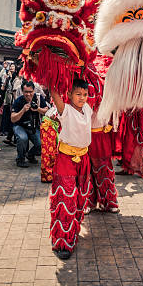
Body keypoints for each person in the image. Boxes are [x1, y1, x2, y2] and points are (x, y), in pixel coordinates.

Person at [49, 79, 93, 259]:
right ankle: (62, 242)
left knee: (81, 197)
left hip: (84, 158)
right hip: (66, 158)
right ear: (68, 95)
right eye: (78, 94)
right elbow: (54, 92)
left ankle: (72, 230)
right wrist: (51, 72)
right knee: (66, 199)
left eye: (85, 94)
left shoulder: (88, 108)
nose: (82, 98)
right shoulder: (65, 110)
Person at [11, 80, 48, 168]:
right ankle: (20, 159)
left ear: (34, 91)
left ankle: (30, 154)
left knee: (41, 143)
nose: (28, 94)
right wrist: (23, 110)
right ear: (22, 91)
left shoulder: (38, 98)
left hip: (34, 126)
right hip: (20, 125)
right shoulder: (18, 101)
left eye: (30, 92)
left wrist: (37, 109)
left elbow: (46, 110)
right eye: (26, 92)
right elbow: (12, 119)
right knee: (22, 138)